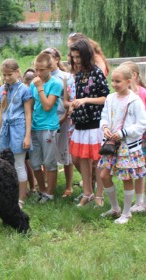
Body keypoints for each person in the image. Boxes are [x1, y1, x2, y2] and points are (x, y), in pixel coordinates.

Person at [98, 64, 146, 224]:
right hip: (111, 144)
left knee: (127, 179)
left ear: (128, 81)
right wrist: (104, 127)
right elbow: (104, 116)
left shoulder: (135, 101)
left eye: (118, 81)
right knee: (104, 175)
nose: (114, 84)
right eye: (112, 80)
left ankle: (126, 213)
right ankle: (115, 208)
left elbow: (142, 124)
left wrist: (123, 133)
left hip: (127, 146)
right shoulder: (111, 98)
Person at [69, 38, 110, 207]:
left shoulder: (97, 72)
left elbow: (106, 98)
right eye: (74, 58)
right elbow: (79, 97)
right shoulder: (78, 75)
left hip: (95, 122)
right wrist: (74, 104)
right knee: (83, 159)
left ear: (86, 55)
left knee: (98, 159)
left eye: (78, 57)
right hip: (81, 122)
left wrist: (85, 100)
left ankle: (99, 195)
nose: (76, 61)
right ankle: (87, 193)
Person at [0, 59, 33, 208]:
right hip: (5, 130)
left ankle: (21, 199)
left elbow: (28, 114)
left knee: (18, 163)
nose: (6, 78)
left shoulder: (24, 89)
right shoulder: (2, 90)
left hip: (19, 130)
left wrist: (27, 136)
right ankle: (7, 194)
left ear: (17, 72)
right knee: (4, 163)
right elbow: (1, 112)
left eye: (9, 74)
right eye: (4, 75)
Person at [42, 47, 77, 199]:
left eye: (50, 58)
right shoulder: (42, 76)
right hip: (45, 119)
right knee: (47, 151)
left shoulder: (66, 77)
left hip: (62, 118)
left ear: (56, 59)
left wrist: (65, 116)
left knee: (66, 153)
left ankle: (69, 185)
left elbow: (72, 99)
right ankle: (48, 184)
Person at [29, 53, 63, 203]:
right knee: (35, 162)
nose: (38, 73)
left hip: (48, 127)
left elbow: (48, 106)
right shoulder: (33, 84)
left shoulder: (55, 84)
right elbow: (30, 106)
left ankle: (50, 194)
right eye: (36, 69)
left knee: (49, 162)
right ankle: (42, 190)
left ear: (50, 68)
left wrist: (40, 88)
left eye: (41, 70)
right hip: (35, 127)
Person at [121, 61, 146, 213]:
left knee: (142, 170)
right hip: (131, 139)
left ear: (134, 76)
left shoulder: (142, 93)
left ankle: (141, 201)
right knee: (137, 169)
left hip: (143, 137)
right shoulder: (124, 95)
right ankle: (139, 201)